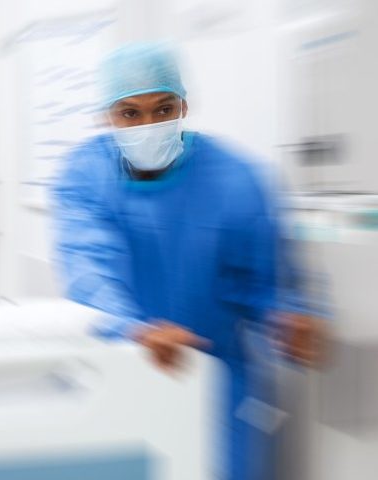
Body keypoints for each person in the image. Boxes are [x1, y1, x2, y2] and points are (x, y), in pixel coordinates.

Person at [51, 43, 325, 480]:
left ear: (184, 106)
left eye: (163, 109)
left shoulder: (235, 178)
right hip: (123, 367)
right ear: (107, 117)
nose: (148, 125)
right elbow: (88, 266)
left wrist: (290, 318)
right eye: (130, 113)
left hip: (216, 380)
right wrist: (132, 328)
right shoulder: (85, 175)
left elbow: (268, 279)